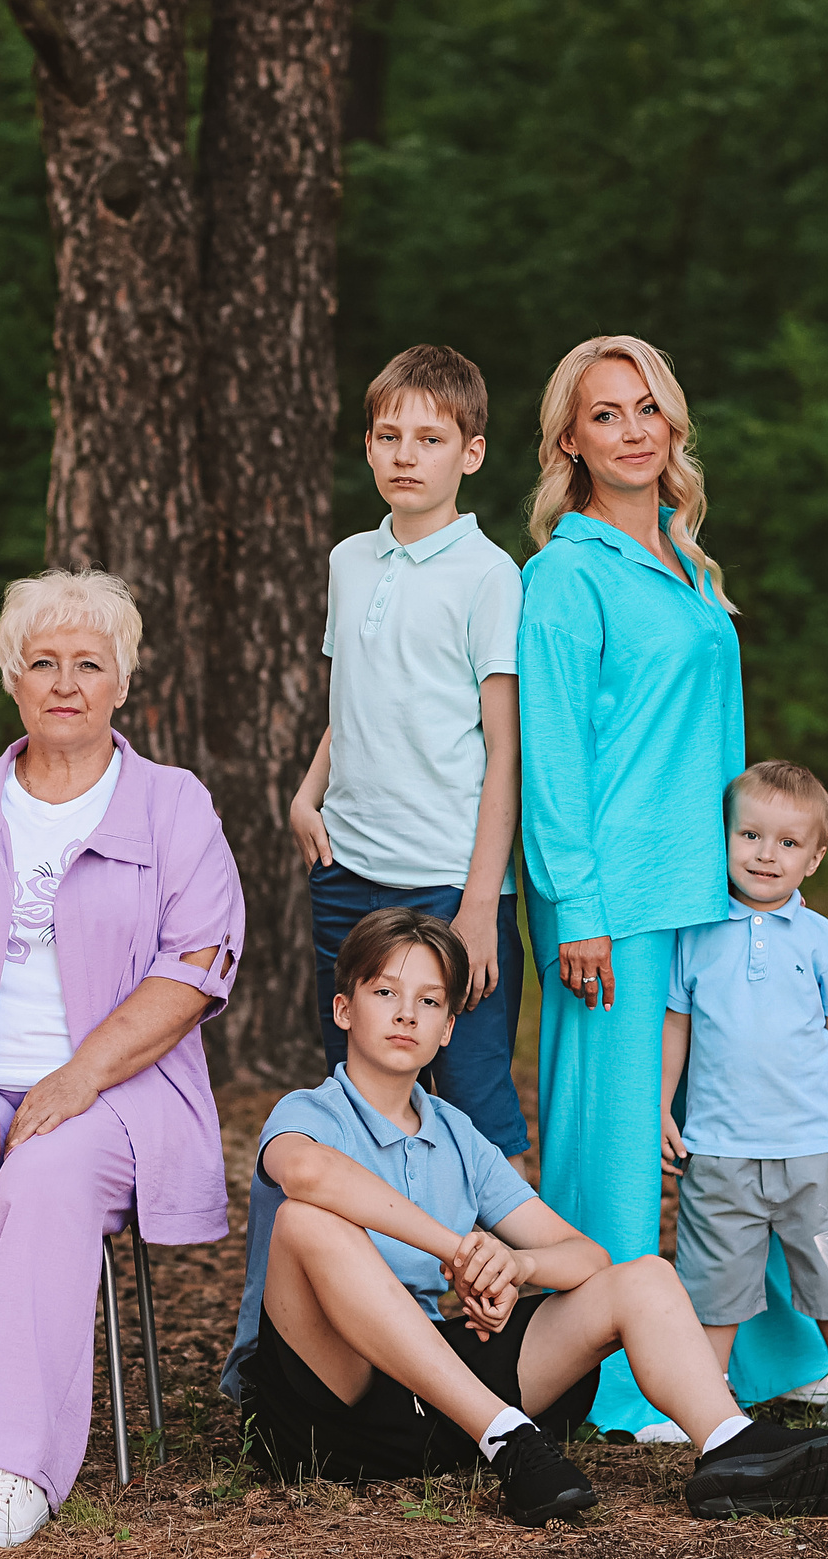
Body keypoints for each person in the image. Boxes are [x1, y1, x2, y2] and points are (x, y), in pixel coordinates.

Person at [220, 907, 828, 1523]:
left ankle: (730, 1444)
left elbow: (586, 1258)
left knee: (642, 1276)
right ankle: (509, 1440)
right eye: (385, 993)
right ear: (343, 1008)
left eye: (429, 1001)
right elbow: (306, 1175)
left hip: (434, 1403)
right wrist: (459, 1248)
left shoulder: (456, 1132)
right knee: (307, 1219)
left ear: (449, 1025)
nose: (407, 1014)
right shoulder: (309, 1112)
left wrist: (517, 1263)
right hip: (329, 1403)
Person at [0, 569, 243, 1549]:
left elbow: (195, 967)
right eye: (43, 663)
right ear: (12, 680)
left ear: (121, 681)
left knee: (44, 1174)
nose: (65, 682)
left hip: (115, 1087)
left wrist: (76, 1077)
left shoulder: (171, 805)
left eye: (88, 664)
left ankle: (16, 1463)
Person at [516, 333, 828, 1440]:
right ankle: (613, 1381)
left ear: (673, 425)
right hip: (610, 905)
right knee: (610, 1144)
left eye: (647, 407)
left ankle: (762, 1361)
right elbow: (551, 753)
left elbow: (724, 744)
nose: (633, 428)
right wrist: (580, 909)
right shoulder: (562, 574)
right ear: (570, 440)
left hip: (708, 894)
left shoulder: (694, 570)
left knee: (730, 1141)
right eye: (606, 413)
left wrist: (755, 889)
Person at [286, 345, 528, 1160]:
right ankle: (381, 1279)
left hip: (446, 879)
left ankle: (507, 1284)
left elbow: (505, 750)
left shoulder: (490, 575)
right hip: (347, 870)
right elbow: (351, 696)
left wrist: (483, 904)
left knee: (470, 1091)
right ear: (367, 446)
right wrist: (306, 794)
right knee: (359, 1091)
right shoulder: (348, 560)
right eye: (389, 436)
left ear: (472, 452)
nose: (405, 455)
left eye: (429, 438)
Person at [661, 762, 828, 1429]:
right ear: (725, 839)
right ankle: (711, 1397)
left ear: (815, 857)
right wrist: (660, 1107)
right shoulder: (695, 933)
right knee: (714, 1281)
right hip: (718, 1150)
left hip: (812, 1148)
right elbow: (676, 1027)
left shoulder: (823, 940)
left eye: (788, 843)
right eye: (750, 835)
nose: (766, 854)